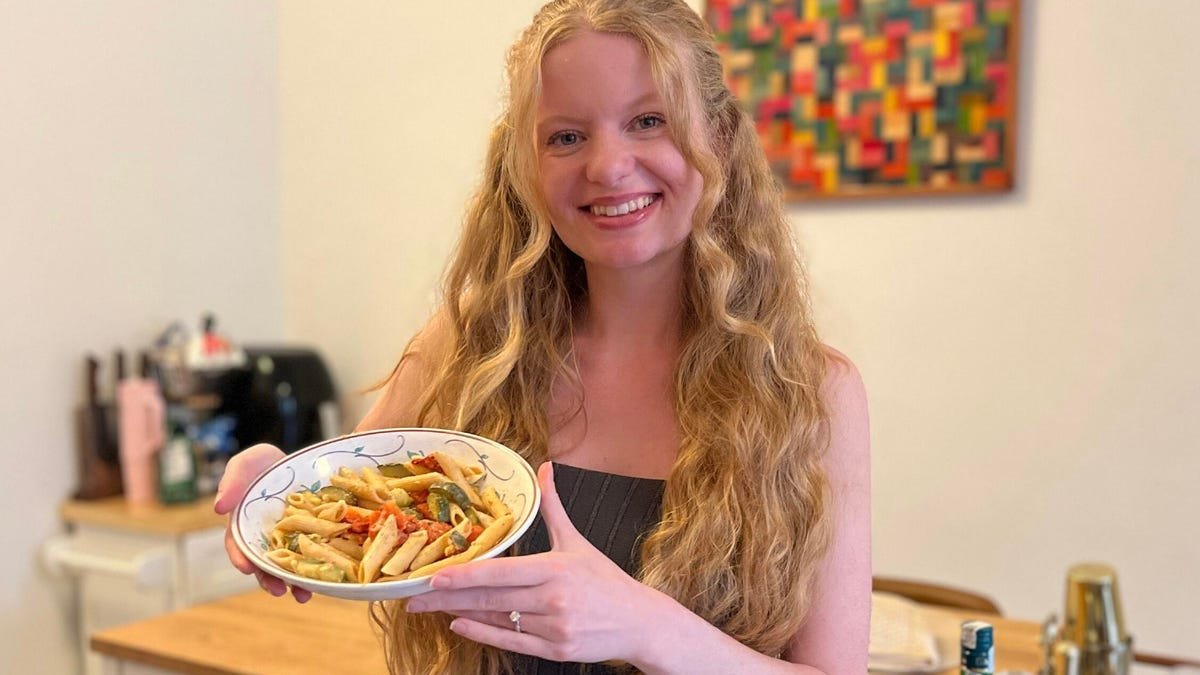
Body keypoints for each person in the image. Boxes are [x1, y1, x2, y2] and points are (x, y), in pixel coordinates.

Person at [215, 0, 871, 672]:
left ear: (721, 139)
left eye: (650, 121)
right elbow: (345, 499)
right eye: (565, 137)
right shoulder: (468, 347)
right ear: (524, 163)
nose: (609, 166)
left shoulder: (813, 393)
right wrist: (273, 480)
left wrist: (647, 626)